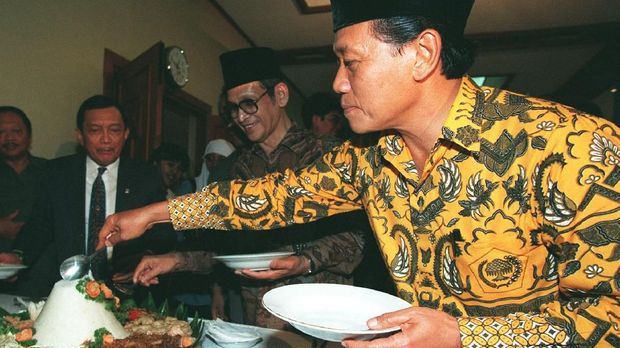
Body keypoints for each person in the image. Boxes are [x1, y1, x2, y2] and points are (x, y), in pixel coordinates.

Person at [99, 1, 620, 347]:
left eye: (351, 63)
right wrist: (156, 212)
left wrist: (466, 336)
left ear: (422, 54)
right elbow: (276, 196)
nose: (338, 83)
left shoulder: (573, 147)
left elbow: (611, 318)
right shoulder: (372, 156)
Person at [131, 47, 365, 329]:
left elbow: (356, 240)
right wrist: (173, 260)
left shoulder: (329, 154)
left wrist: (304, 260)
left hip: (318, 315)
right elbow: (225, 249)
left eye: (249, 103)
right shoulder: (236, 168)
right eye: (233, 108)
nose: (241, 117)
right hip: (257, 318)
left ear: (280, 95)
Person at [0, 95, 176, 298]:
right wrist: (19, 255)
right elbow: (41, 224)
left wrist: (147, 256)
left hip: (125, 289)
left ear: (126, 134)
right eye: (95, 130)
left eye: (114, 130)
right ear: (80, 136)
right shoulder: (56, 172)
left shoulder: (146, 176)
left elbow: (164, 231)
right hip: (64, 289)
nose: (106, 139)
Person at [0, 106, 47, 252]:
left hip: (41, 264)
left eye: (16, 131)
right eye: (1, 132)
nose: (9, 138)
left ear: (29, 137)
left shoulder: (51, 171)